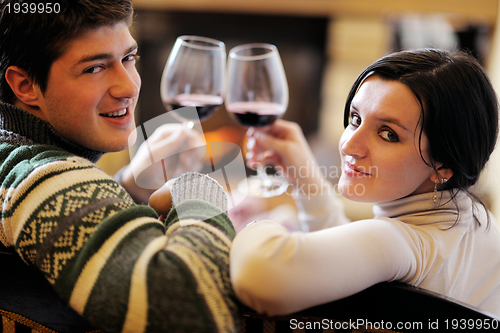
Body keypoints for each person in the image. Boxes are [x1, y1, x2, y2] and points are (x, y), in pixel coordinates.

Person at [0, 1, 240, 332]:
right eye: (94, 68)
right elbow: (190, 313)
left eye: (129, 58)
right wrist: (197, 195)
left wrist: (126, 188)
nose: (128, 87)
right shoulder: (39, 176)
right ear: (25, 86)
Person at [229, 48, 500, 317]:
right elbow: (355, 258)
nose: (349, 145)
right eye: (355, 119)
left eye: (388, 134)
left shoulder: (400, 242)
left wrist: (250, 221)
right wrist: (305, 175)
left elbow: (259, 274)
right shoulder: (478, 222)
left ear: (443, 166)